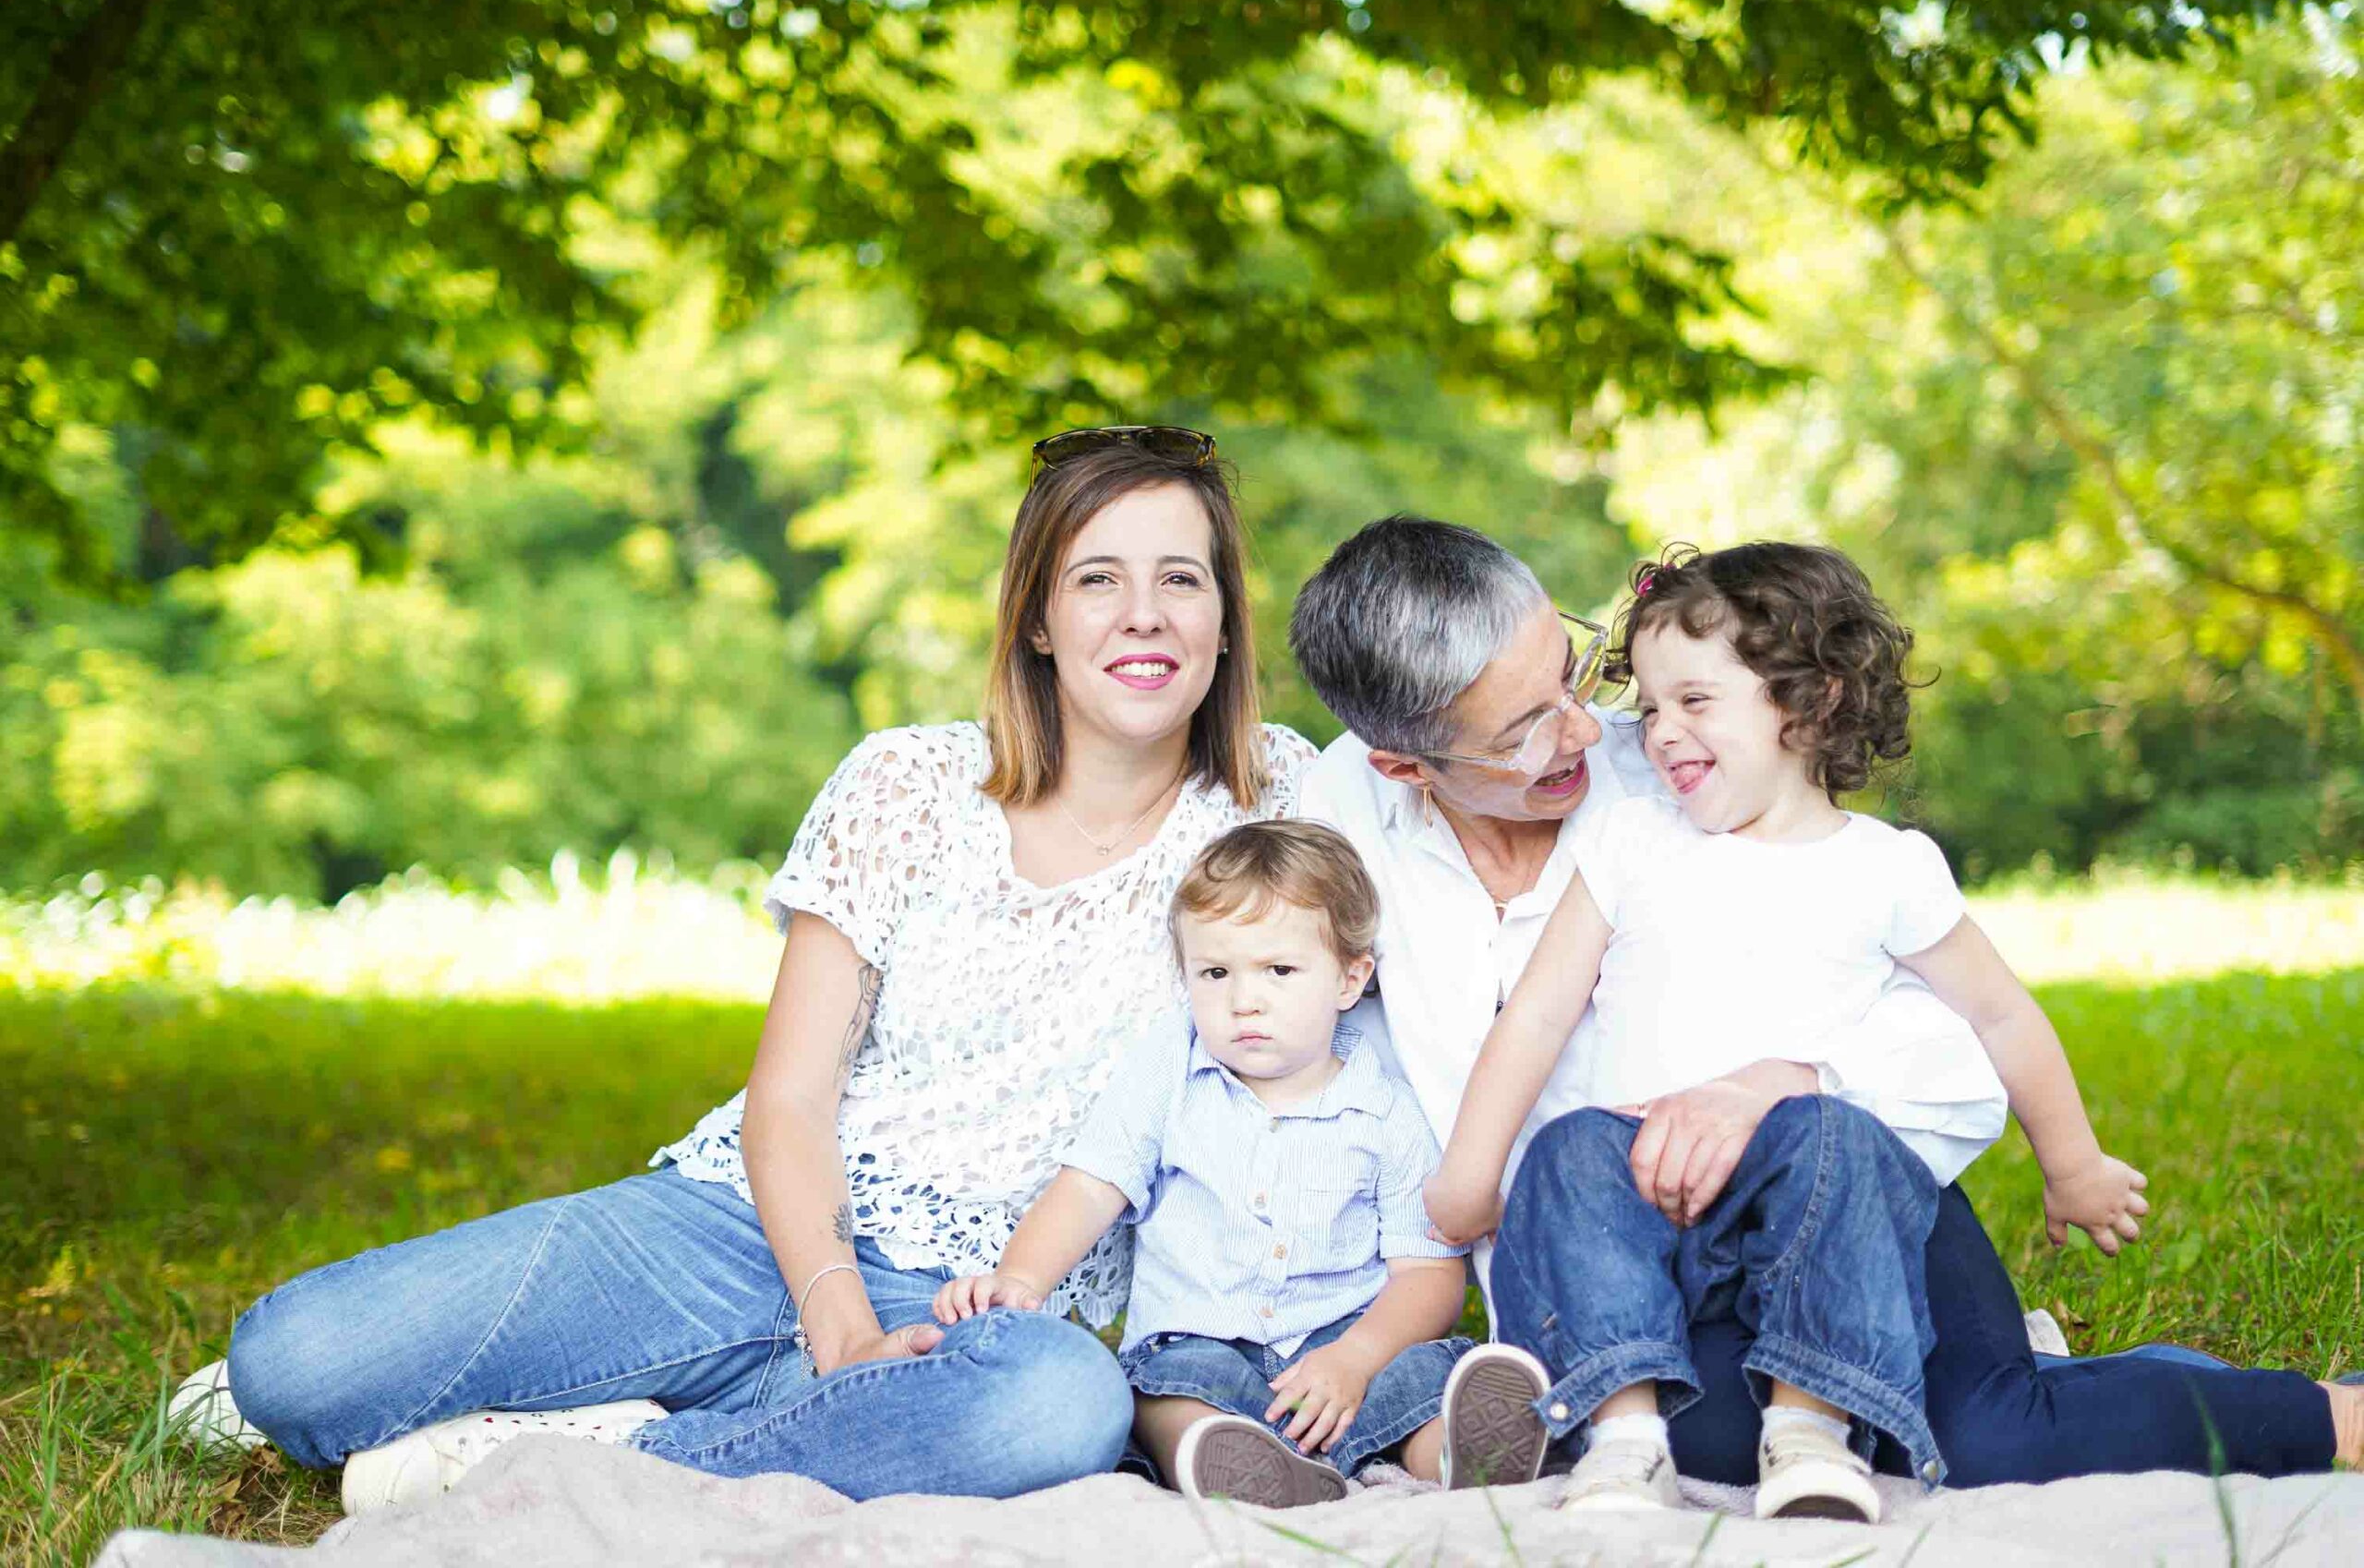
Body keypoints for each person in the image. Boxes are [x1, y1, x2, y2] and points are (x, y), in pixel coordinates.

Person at [186, 426, 1323, 1512]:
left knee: (1060, 1410)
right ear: (1033, 618)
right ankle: (775, 1418)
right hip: (733, 1229)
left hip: (980, 1308)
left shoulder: (1286, 806)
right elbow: (790, 1096)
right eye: (1095, 580)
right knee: (289, 1362)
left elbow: (1441, 833)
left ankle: (600, 1451)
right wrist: (835, 1323)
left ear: (1227, 622)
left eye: (1182, 580)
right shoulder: (906, 785)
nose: (1143, 616)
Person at [1291, 514, 2360, 1492]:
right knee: (1696, 1436)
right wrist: (1461, 1191)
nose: (1598, 729)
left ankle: (2311, 1418)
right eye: (1526, 730)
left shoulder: (1705, 789)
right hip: (1640, 1261)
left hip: (1836, 1181)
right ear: (1403, 765)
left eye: (1574, 675)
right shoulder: (1347, 826)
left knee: (1986, 1438)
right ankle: (2060, 1387)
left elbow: (1967, 1020)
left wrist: (1788, 1086)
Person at [1421, 542, 2151, 1520]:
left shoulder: (1885, 868)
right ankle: (1624, 1438)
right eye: (1648, 705)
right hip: (1654, 1196)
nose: (1659, 733)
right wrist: (1472, 1174)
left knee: (1827, 1136)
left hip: (1809, 1203)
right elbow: (1538, 1012)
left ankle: (1809, 1431)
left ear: (1810, 703)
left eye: (1695, 701)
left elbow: (1999, 1013)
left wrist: (2073, 1164)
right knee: (1564, 1151)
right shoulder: (1632, 840)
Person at [934, 820, 1555, 1507]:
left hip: (1340, 1357)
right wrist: (1021, 1276)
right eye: (1215, 972)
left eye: (1279, 970)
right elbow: (1089, 1184)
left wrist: (1355, 1357)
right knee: (1160, 1390)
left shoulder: (1386, 1108)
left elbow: (1429, 1275)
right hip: (1202, 1342)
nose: (1243, 999)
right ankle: (1223, 1462)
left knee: (1417, 1378)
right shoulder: (1171, 1064)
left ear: (1351, 978)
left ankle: (1455, 1455)